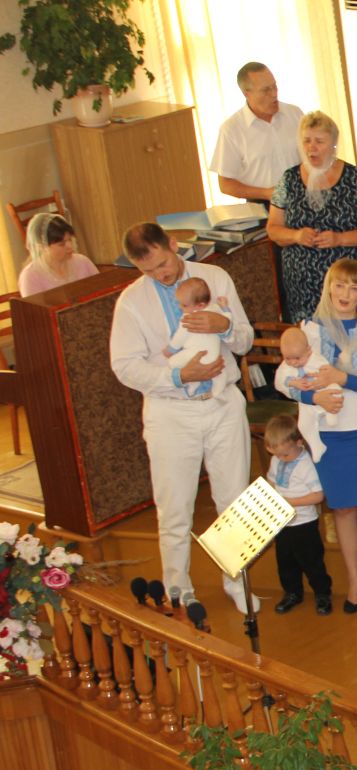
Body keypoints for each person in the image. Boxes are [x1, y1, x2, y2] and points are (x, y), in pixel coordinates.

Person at [108, 223, 255, 612]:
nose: (160, 275)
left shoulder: (214, 277)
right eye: (148, 270)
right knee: (174, 508)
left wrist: (225, 326)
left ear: (173, 245)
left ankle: (237, 582)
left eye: (162, 264)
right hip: (170, 412)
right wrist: (177, 376)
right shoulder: (132, 301)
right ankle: (178, 588)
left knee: (233, 500)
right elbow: (124, 366)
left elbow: (245, 340)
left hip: (222, 403)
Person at [279, 258, 357, 616]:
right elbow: (283, 381)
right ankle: (355, 579)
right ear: (329, 288)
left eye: (354, 287)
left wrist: (343, 379)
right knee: (342, 509)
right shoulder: (310, 329)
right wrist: (313, 397)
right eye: (340, 285)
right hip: (329, 437)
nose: (345, 294)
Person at [266, 112, 357, 322]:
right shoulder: (288, 179)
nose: (312, 147)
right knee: (310, 340)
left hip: (349, 285)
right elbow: (273, 229)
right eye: (306, 141)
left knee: (355, 337)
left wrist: (340, 238)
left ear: (334, 144)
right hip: (303, 287)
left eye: (319, 141)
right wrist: (296, 236)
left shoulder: (354, 177)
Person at [263, 414, 333, 616]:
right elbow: (271, 482)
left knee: (312, 561)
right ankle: (292, 592)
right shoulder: (277, 460)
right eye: (276, 454)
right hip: (282, 522)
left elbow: (318, 495)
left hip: (304, 522)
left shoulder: (306, 465)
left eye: (285, 454)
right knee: (285, 561)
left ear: (298, 442)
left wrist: (290, 502)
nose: (281, 458)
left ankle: (322, 593)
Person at [210, 62, 303, 205]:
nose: (274, 94)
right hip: (262, 205)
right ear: (246, 93)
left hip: (302, 199)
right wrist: (267, 193)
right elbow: (226, 184)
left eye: (274, 86)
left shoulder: (294, 114)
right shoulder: (231, 130)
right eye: (266, 90)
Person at [276, 325, 338, 462]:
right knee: (303, 426)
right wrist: (293, 382)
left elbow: (328, 373)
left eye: (297, 358)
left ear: (308, 350)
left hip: (324, 392)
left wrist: (320, 380)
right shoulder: (285, 366)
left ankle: (331, 413)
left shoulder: (317, 359)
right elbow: (278, 382)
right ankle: (317, 446)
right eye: (288, 358)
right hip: (308, 402)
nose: (293, 363)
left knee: (334, 389)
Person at [164, 277, 233, 400]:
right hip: (214, 356)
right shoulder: (215, 309)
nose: (180, 307)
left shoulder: (188, 318)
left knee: (172, 362)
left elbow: (180, 337)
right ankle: (216, 392)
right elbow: (228, 319)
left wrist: (171, 349)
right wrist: (225, 307)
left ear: (200, 305)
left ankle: (193, 385)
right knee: (218, 376)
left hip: (196, 353)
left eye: (184, 305)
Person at [18, 213, 98, 296]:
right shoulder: (30, 277)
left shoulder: (83, 262)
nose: (70, 246)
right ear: (42, 246)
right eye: (61, 244)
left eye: (70, 240)